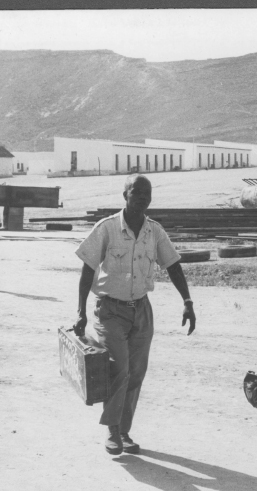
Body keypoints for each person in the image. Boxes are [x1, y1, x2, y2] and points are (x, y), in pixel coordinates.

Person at [73, 174, 197, 455]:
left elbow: (173, 265)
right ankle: (113, 431)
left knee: (137, 372)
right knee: (119, 369)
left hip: (141, 309)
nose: (142, 197)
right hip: (110, 310)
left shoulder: (155, 231)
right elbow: (87, 269)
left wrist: (187, 301)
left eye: (147, 193)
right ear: (125, 195)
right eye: (136, 192)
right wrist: (80, 311)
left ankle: (124, 431)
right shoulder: (106, 229)